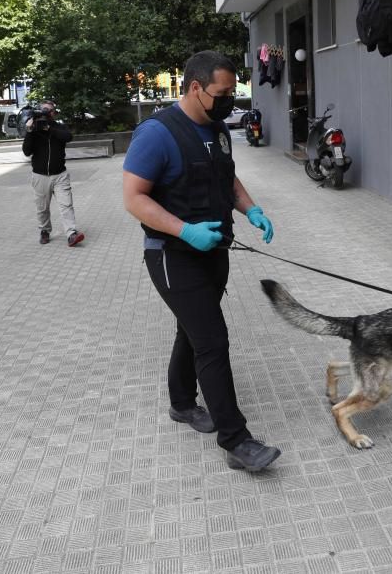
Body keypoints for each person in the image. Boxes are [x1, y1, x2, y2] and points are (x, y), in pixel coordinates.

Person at [122, 50, 280, 472]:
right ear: (196, 87)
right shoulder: (157, 134)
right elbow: (133, 198)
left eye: (233, 91)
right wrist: (185, 230)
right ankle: (236, 441)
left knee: (191, 329)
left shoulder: (218, 129)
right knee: (212, 341)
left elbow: (226, 177)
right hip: (173, 256)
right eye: (224, 92)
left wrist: (252, 209)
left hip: (215, 251)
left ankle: (181, 404)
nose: (231, 99)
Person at [21, 100, 85, 247]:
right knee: (42, 208)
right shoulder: (34, 130)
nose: (46, 112)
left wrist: (49, 129)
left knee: (66, 205)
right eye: (43, 110)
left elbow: (68, 137)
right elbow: (26, 151)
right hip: (40, 176)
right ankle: (44, 231)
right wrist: (30, 131)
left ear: (54, 113)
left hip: (60, 175)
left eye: (49, 110)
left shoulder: (59, 127)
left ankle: (71, 234)